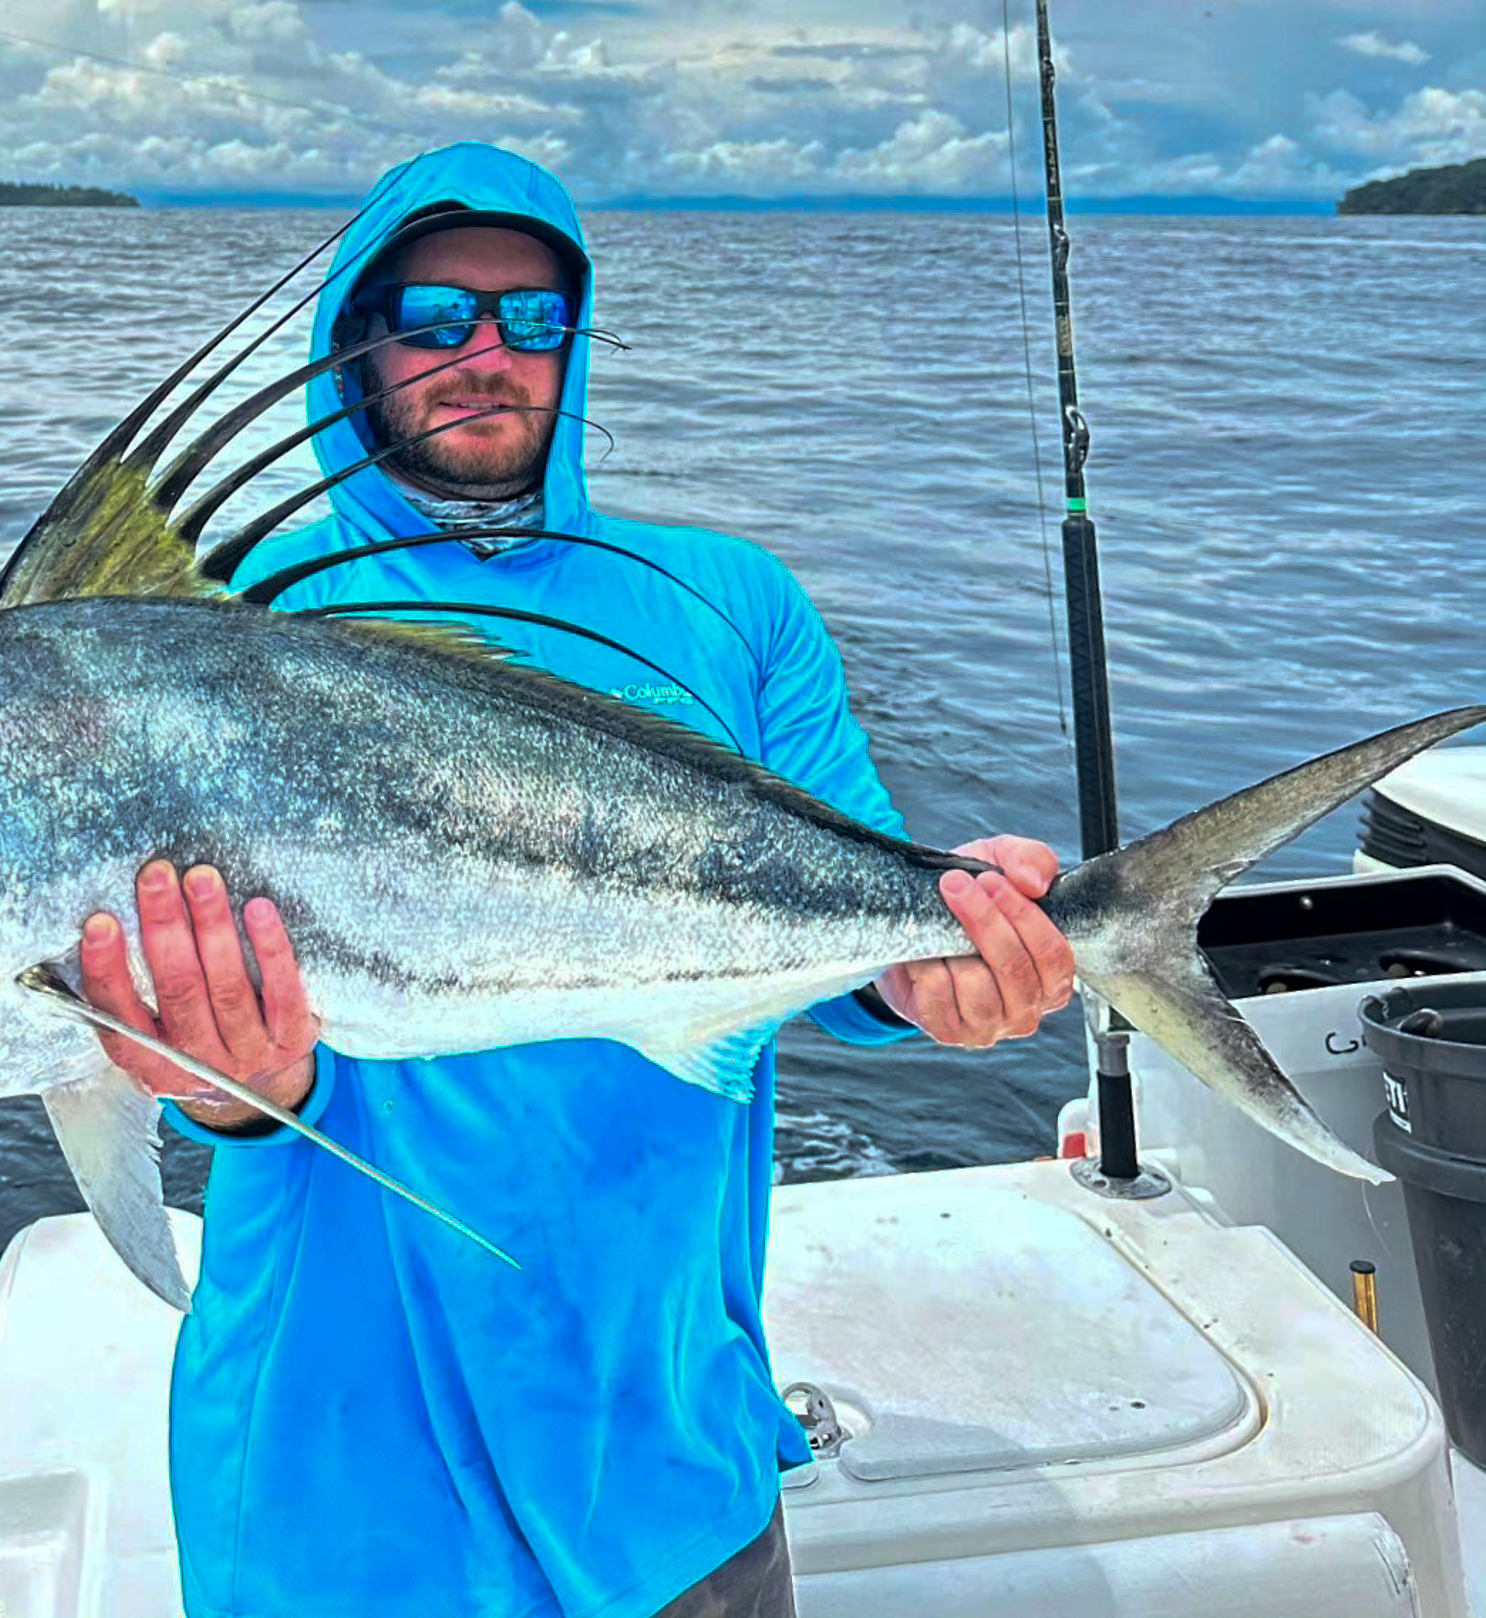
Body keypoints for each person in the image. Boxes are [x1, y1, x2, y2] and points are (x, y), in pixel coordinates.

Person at [79, 142, 1075, 1618]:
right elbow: (200, 1046)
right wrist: (226, 1089)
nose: (486, 354)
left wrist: (947, 962)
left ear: (578, 342)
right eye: (435, 315)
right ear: (356, 340)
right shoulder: (229, 628)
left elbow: (864, 933)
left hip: (665, 1444)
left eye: (532, 318)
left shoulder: (730, 601)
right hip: (334, 1481)